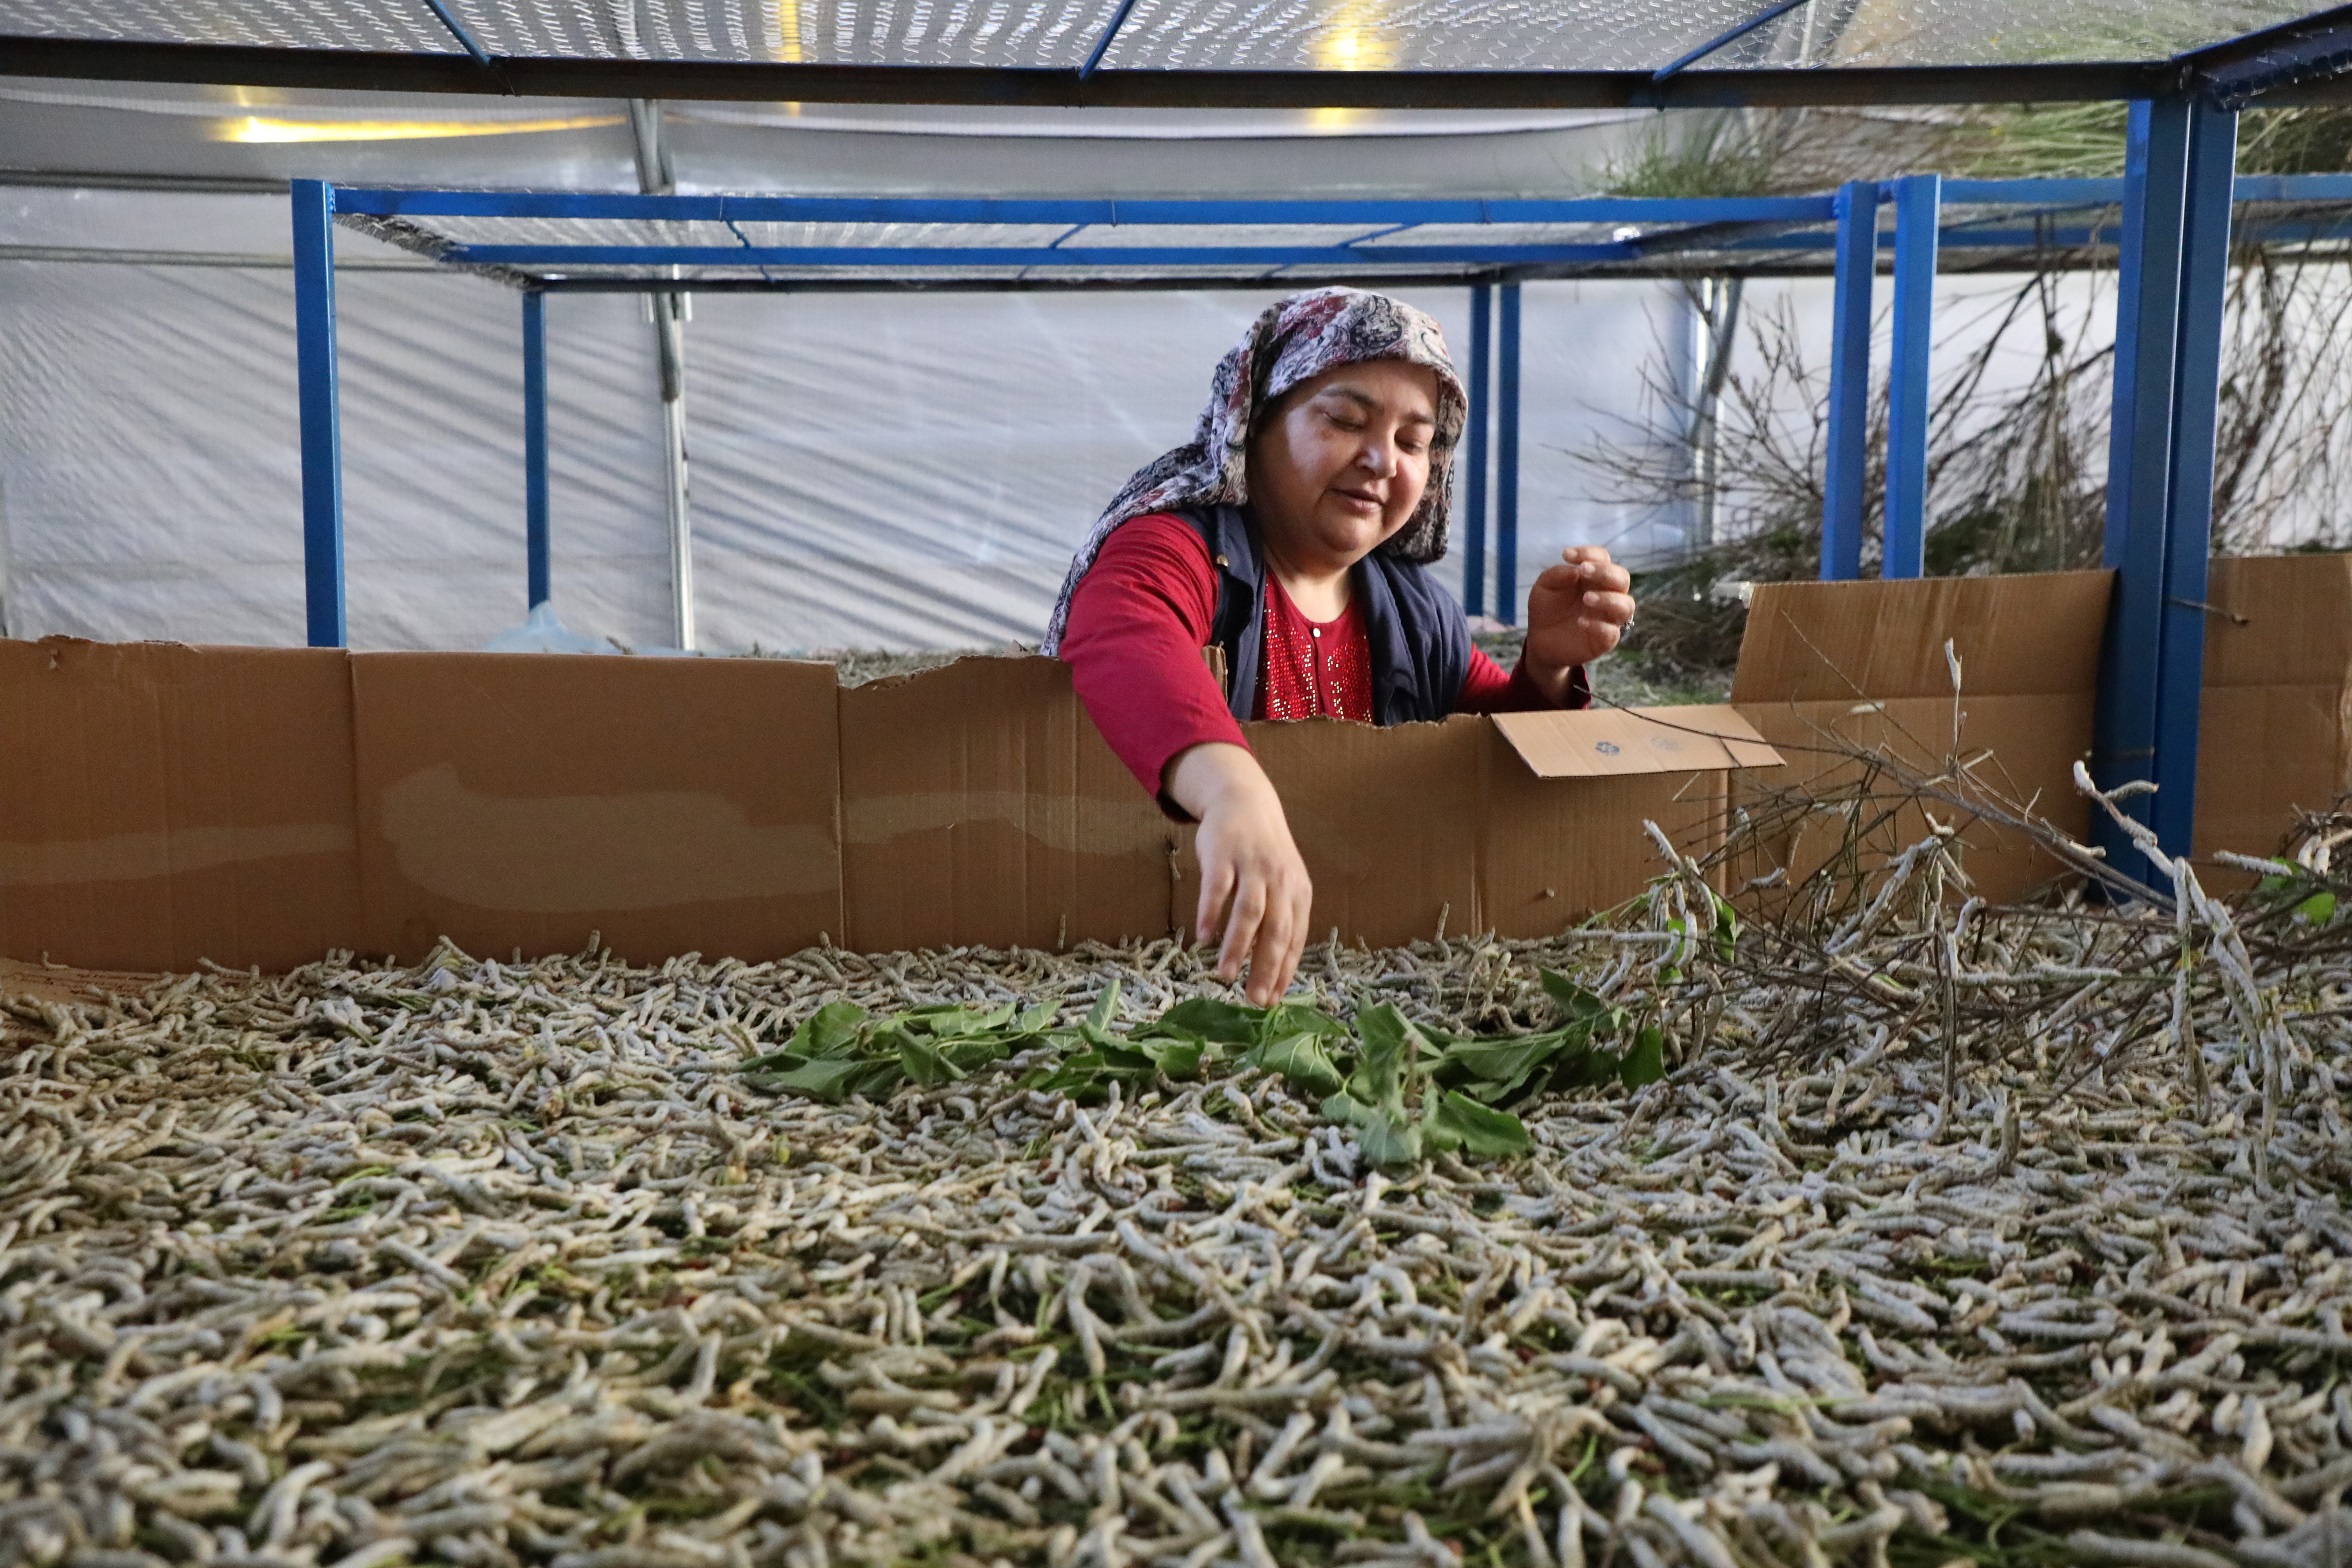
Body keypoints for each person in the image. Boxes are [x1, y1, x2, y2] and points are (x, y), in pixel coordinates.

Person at [1045, 287, 1635, 1005]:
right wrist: (1234, 791)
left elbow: (1485, 749)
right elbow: (1127, 631)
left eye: (1414, 442)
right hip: (1169, 955)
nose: (1383, 460)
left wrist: (1547, 664)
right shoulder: (1181, 547)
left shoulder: (1415, 611)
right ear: (1254, 424)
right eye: (1347, 420)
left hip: (1373, 959)